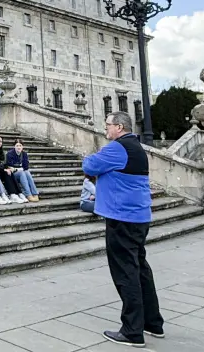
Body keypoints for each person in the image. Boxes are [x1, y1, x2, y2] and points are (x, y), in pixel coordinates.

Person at [83, 111, 162, 347]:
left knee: (125, 272)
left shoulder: (118, 148)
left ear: (119, 127)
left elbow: (88, 164)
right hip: (139, 216)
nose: (105, 129)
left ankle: (132, 330)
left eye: (107, 125)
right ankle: (152, 322)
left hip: (121, 217)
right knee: (140, 269)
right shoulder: (137, 148)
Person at [0, 135, 25, 203]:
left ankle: (19, 193)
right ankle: (12, 194)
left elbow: (5, 164)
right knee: (6, 173)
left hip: (0, 170)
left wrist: (7, 168)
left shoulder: (2, 151)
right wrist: (4, 169)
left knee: (10, 172)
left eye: (0, 141)